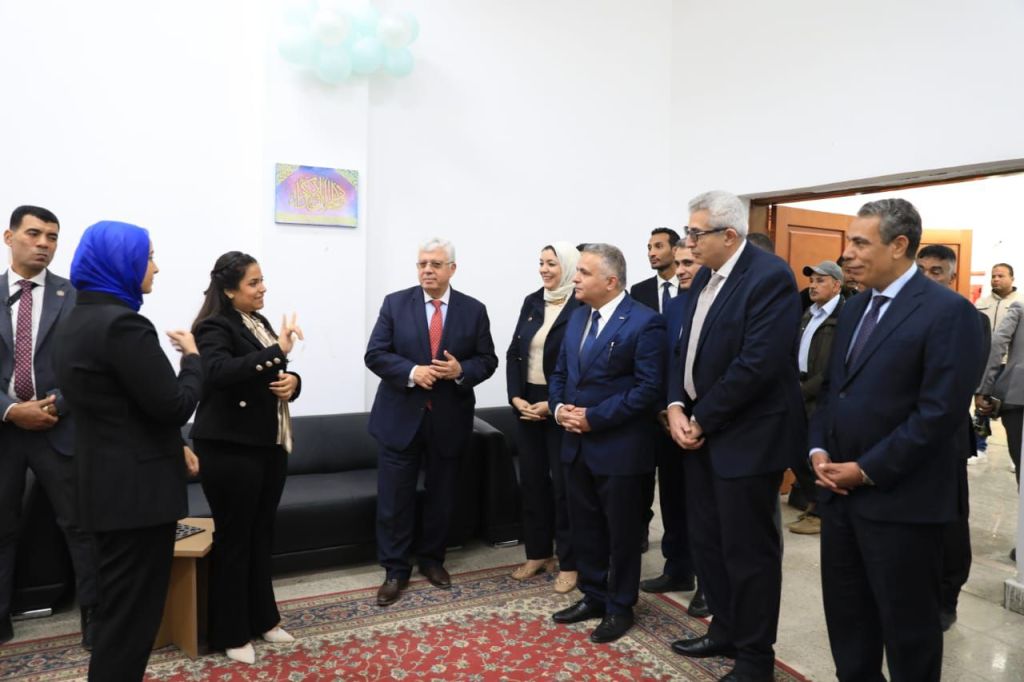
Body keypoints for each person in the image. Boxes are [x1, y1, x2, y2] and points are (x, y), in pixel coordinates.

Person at [809, 199, 981, 681]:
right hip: (840, 499)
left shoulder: (949, 312)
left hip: (904, 505)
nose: (847, 253)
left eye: (860, 243)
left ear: (899, 245)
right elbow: (833, 391)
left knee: (909, 635)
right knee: (849, 625)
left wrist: (866, 470)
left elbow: (938, 414)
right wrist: (818, 450)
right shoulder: (855, 307)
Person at [54, 220, 203, 681]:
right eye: (148, 257)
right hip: (137, 497)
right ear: (122, 262)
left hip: (104, 488)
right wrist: (192, 359)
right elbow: (173, 405)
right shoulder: (123, 325)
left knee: (118, 614)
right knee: (131, 622)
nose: (154, 268)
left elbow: (123, 409)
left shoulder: (75, 318)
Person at [666, 190, 804, 682]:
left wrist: (702, 418)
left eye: (695, 233)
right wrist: (675, 405)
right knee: (709, 543)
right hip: (700, 431)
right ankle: (723, 629)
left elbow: (757, 364)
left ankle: (755, 657)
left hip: (747, 437)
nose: (688, 243)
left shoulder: (769, 277)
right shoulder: (704, 275)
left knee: (749, 553)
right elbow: (682, 348)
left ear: (729, 234)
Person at [365, 238, 497, 606]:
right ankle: (395, 569)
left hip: (449, 419)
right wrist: (412, 371)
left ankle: (432, 559)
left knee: (442, 495)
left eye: (436, 264)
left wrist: (460, 370)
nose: (427, 270)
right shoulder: (395, 304)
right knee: (394, 499)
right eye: (422, 263)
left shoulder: (474, 310)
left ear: (452, 269)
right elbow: (375, 354)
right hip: (400, 418)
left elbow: (487, 360)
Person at [189, 252, 304, 664]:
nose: (262, 288)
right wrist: (278, 350)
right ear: (228, 289)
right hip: (229, 447)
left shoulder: (257, 322)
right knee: (235, 539)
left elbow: (272, 376)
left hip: (267, 443)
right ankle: (231, 631)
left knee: (261, 534)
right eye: (253, 282)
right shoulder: (212, 326)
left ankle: (263, 618)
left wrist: (293, 382)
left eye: (261, 280)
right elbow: (220, 372)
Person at [548, 243, 665, 644]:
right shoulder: (578, 316)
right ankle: (594, 595)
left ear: (611, 281)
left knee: (622, 534)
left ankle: (620, 606)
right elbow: (560, 373)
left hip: (621, 449)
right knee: (586, 528)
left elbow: (648, 389)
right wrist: (559, 409)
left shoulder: (645, 323)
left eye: (583, 272)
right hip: (575, 445)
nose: (575, 278)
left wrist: (594, 418)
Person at [0, 206, 98, 648]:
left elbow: (89, 364)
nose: (43, 244)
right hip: (4, 430)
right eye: (34, 233)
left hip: (59, 427)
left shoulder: (73, 295)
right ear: (9, 237)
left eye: (52, 237)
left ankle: (97, 625)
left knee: (80, 527)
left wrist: (55, 404)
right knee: (1, 529)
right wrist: (10, 410)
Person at [917, 243, 989, 630]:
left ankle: (947, 597)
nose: (928, 278)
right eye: (922, 270)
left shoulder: (969, 318)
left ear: (951, 276)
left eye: (936, 271)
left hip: (946, 439)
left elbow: (960, 384)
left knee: (950, 523)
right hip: (901, 440)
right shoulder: (904, 314)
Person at [505, 242, 581, 593]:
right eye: (541, 263)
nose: (544, 269)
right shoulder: (533, 301)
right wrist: (515, 397)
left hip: (561, 404)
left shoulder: (581, 304)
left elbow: (581, 363)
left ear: (568, 266)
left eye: (552, 263)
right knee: (533, 483)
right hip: (528, 403)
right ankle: (538, 553)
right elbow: (514, 353)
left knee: (564, 487)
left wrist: (554, 403)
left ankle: (570, 561)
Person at [639, 243, 700, 610]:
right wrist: (665, 408)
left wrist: (699, 417)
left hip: (707, 422)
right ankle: (677, 568)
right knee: (673, 499)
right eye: (677, 264)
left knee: (703, 507)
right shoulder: (674, 307)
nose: (681, 270)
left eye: (688, 262)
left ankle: (709, 584)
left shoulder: (719, 305)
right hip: (669, 418)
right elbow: (667, 362)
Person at [787, 260, 845, 535]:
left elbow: (835, 365)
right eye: (812, 280)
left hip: (820, 394)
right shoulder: (809, 313)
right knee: (796, 451)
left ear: (837, 285)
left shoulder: (843, 316)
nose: (813, 285)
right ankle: (813, 503)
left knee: (819, 453)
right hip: (799, 390)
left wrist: (806, 389)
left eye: (821, 280)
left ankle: (822, 512)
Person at [974, 262, 1019, 464]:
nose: (996, 279)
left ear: (1012, 278)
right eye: (993, 276)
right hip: (985, 362)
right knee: (982, 407)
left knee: (1012, 411)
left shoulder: (1020, 303)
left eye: (1001, 276)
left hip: (1010, 364)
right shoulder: (981, 303)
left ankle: (1016, 452)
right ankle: (980, 448)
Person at [631, 228, 681, 314]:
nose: (651, 253)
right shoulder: (638, 291)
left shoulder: (692, 285)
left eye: (658, 246)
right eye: (649, 248)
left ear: (675, 251)